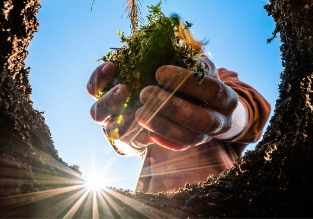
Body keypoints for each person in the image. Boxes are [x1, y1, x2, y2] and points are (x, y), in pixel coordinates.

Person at [86, 23, 271, 193]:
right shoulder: (143, 94)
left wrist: (226, 114)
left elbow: (252, 112)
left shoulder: (217, 76)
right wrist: (122, 136)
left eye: (176, 36)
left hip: (220, 203)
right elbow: (129, 141)